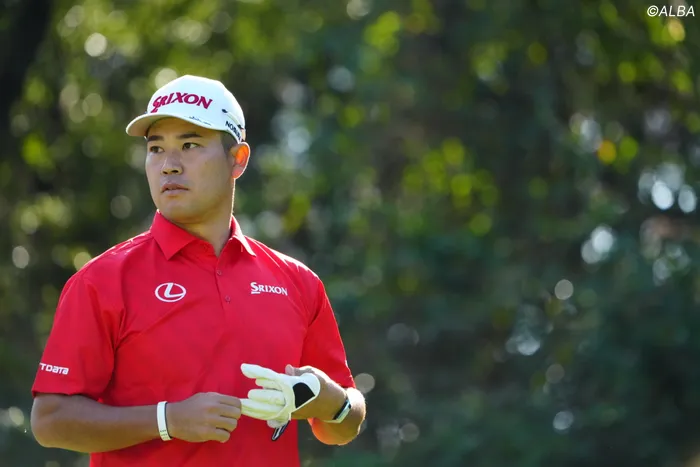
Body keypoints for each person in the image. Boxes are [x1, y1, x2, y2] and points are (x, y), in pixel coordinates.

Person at [29, 75, 366, 466]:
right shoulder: (102, 281)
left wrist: (331, 401)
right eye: (156, 148)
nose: (169, 165)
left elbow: (344, 425)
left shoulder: (297, 282)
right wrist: (167, 420)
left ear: (237, 159)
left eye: (190, 145)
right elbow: (49, 421)